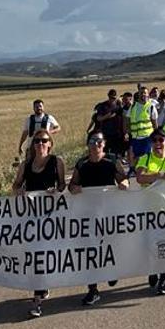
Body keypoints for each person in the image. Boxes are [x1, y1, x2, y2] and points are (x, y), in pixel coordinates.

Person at [68, 132, 128, 305]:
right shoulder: (82, 163)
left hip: (109, 213)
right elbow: (72, 184)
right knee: (90, 253)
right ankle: (92, 289)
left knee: (110, 246)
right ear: (88, 145)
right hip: (88, 215)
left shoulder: (111, 161)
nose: (96, 145)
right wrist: (74, 188)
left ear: (104, 143)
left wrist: (124, 183)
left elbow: (123, 179)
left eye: (99, 141)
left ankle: (112, 271)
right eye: (93, 141)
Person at [12, 130, 66, 318]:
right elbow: (16, 185)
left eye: (44, 141)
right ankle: (39, 293)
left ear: (50, 144)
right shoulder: (26, 164)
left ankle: (41, 290)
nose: (40, 144)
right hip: (31, 217)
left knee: (45, 253)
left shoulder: (56, 161)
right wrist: (18, 191)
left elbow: (62, 185)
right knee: (36, 254)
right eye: (36, 141)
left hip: (52, 216)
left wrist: (56, 190)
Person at [135, 132, 165, 295]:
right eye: (154, 140)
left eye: (161, 140)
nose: (158, 143)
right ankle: (153, 269)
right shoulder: (146, 159)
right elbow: (140, 178)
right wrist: (159, 176)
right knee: (147, 244)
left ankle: (164, 278)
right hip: (149, 212)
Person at [128, 88, 157, 165]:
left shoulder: (151, 107)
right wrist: (127, 133)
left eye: (145, 93)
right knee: (135, 159)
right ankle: (136, 172)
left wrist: (156, 137)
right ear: (138, 94)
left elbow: (155, 124)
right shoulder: (133, 107)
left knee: (146, 159)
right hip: (135, 138)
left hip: (147, 137)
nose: (143, 94)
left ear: (148, 95)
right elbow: (127, 121)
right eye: (141, 93)